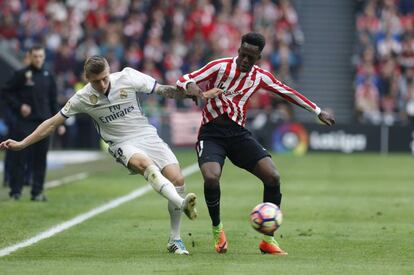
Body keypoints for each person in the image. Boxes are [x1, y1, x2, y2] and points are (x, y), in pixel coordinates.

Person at [0, 55, 220, 255]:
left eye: (105, 78)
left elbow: (164, 90)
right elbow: (51, 123)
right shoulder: (81, 98)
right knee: (145, 164)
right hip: (120, 143)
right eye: (96, 81)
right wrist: (22, 143)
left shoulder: (128, 77)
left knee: (178, 179)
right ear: (87, 78)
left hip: (147, 134)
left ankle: (175, 239)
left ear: (109, 70)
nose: (102, 84)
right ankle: (182, 204)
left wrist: (197, 93)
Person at [176, 32, 335, 255]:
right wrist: (192, 87)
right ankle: (217, 230)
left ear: (258, 57)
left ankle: (268, 240)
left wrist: (317, 111)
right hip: (211, 135)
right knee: (211, 177)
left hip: (239, 135)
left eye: (250, 57)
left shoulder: (260, 77)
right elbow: (184, 78)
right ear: (238, 50)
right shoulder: (220, 66)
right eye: (242, 54)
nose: (244, 60)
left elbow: (287, 92)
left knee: (273, 177)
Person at [1, 44, 65, 201]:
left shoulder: (48, 75)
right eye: (35, 56)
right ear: (30, 57)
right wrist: (19, 106)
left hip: (44, 123)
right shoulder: (22, 74)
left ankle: (36, 192)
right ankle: (15, 191)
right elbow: (6, 91)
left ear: (44, 57)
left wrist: (60, 123)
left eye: (40, 56)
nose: (38, 59)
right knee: (19, 157)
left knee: (41, 159)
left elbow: (53, 101)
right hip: (25, 123)